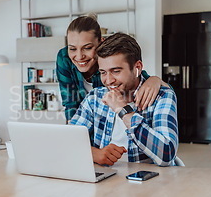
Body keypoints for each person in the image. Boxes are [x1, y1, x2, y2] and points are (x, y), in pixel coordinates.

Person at [70, 33, 179, 167]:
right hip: (108, 178)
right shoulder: (95, 97)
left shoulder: (162, 96)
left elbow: (166, 155)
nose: (108, 81)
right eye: (103, 72)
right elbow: (68, 140)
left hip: (150, 181)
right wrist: (94, 154)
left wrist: (123, 110)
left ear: (137, 68)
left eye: (116, 71)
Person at [56, 14, 164, 122]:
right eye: (72, 48)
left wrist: (155, 80)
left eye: (88, 48)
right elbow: (70, 102)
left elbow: (137, 76)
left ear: (101, 43)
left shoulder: (108, 60)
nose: (79, 56)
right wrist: (73, 131)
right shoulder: (64, 58)